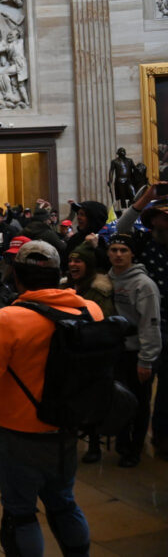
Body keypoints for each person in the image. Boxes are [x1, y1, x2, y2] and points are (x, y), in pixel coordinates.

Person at [0, 241, 96, 556]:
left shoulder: (6, 320)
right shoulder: (89, 310)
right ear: (58, 274)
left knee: (20, 512)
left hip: (20, 434)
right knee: (64, 502)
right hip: (68, 428)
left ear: (16, 276)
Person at [114, 183, 168, 457]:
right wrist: (145, 199)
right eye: (162, 216)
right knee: (140, 388)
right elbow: (121, 227)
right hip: (145, 327)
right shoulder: (145, 242)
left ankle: (161, 436)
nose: (165, 222)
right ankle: (131, 442)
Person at [106, 234, 161, 468]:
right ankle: (122, 441)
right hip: (116, 351)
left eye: (124, 250)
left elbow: (150, 323)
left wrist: (146, 360)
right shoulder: (106, 280)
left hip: (137, 352)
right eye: (114, 249)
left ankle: (135, 449)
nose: (118, 255)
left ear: (132, 254)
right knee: (119, 400)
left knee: (138, 403)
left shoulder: (143, 284)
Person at [63, 242, 115, 464]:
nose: (73, 264)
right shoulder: (69, 285)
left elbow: (102, 322)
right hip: (73, 353)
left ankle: (94, 444)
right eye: (71, 260)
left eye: (79, 261)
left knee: (92, 401)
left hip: (93, 355)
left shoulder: (99, 290)